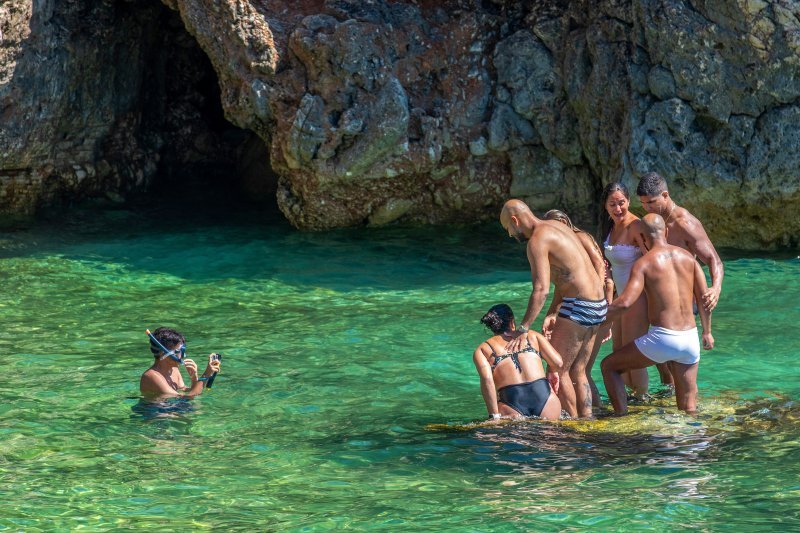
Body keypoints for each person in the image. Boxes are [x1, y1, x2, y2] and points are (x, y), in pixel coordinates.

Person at [500, 199, 606, 418]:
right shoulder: (557, 227)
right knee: (579, 370)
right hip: (599, 304)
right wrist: (553, 311)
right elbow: (568, 275)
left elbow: (541, 289)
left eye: (508, 229)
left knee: (558, 369)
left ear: (515, 220)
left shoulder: (536, 241)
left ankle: (575, 427)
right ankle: (589, 420)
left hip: (578, 306)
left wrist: (523, 327)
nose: (510, 235)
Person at [600, 214, 714, 415]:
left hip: (663, 338)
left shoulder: (644, 263)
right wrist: (707, 332)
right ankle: (695, 443)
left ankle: (622, 421)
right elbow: (704, 299)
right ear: (666, 232)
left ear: (642, 238)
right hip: (690, 339)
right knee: (688, 408)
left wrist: (598, 319)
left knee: (609, 366)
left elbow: (625, 302)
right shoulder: (689, 258)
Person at [542, 209, 612, 409]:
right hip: (587, 306)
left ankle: (576, 418)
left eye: (555, 226)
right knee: (578, 370)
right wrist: (551, 313)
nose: (552, 232)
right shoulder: (560, 246)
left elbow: (600, 267)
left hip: (590, 305)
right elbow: (562, 286)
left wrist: (597, 300)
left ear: (565, 221)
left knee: (566, 368)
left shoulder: (579, 237)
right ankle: (592, 413)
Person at [636, 172, 723, 311]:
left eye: (651, 202)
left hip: (684, 303)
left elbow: (714, 260)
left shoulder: (685, 224)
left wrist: (715, 289)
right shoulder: (650, 222)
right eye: (643, 203)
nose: (647, 208)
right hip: (656, 300)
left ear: (665, 195)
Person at [600, 182, 653, 396]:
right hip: (619, 299)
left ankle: (642, 399)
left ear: (629, 201)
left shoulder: (636, 226)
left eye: (621, 203)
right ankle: (628, 398)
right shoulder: (611, 226)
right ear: (605, 206)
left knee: (633, 354)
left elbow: (653, 258)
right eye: (612, 204)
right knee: (618, 353)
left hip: (638, 297)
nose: (618, 208)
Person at [473, 304, 563, 420]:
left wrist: (494, 416)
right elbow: (558, 363)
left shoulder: (483, 349)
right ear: (512, 322)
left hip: (512, 402)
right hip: (544, 396)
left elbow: (487, 381)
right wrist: (552, 372)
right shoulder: (532, 336)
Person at [140, 327, 222, 400]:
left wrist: (194, 378)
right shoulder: (151, 376)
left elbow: (186, 391)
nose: (182, 355)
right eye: (178, 351)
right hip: (153, 413)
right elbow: (187, 398)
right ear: (163, 353)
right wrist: (206, 375)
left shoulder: (174, 369)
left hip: (170, 408)